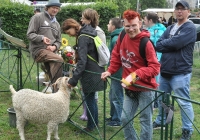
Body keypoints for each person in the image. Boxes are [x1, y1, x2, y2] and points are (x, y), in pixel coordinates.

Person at [101, 10, 160, 140]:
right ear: (123, 25)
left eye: (134, 25)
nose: (131, 29)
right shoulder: (122, 36)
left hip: (145, 89)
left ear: (139, 23)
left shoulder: (146, 43)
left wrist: (136, 75)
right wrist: (110, 70)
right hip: (130, 88)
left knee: (145, 121)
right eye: (128, 26)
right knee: (124, 119)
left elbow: (155, 68)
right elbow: (116, 55)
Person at [153, 1, 196, 140]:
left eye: (182, 9)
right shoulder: (170, 27)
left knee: (183, 102)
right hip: (165, 70)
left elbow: (177, 43)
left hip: (181, 72)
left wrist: (171, 43)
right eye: (177, 9)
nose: (179, 11)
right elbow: (158, 45)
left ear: (188, 11)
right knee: (164, 100)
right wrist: (171, 44)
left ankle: (187, 131)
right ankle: (165, 121)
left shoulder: (190, 28)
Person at [62, 18, 105, 132]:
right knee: (91, 99)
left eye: (68, 32)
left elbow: (82, 61)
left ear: (72, 26)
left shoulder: (82, 37)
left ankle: (90, 127)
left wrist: (73, 80)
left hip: (90, 71)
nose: (69, 35)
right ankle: (94, 123)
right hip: (97, 69)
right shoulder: (88, 32)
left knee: (89, 100)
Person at [27, 0, 63, 92]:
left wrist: (54, 47)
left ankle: (54, 91)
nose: (55, 10)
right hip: (38, 50)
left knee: (55, 68)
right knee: (59, 60)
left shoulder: (57, 24)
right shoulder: (38, 17)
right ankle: (58, 91)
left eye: (57, 8)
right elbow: (30, 34)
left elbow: (59, 41)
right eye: (53, 8)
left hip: (51, 52)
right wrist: (42, 38)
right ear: (47, 8)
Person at [143, 12, 166, 108]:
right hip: (151, 59)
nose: (144, 21)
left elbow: (158, 45)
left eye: (145, 20)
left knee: (156, 80)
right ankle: (154, 99)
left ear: (150, 20)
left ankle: (156, 100)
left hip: (157, 59)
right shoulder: (149, 30)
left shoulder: (158, 31)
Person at [106, 17, 124, 127]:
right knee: (113, 95)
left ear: (113, 26)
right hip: (115, 72)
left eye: (109, 24)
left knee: (117, 96)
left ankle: (118, 119)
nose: (107, 26)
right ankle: (113, 116)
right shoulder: (116, 37)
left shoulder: (115, 38)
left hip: (118, 72)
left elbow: (116, 57)